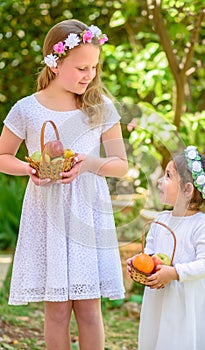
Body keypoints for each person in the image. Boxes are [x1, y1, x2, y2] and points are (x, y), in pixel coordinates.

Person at [0, 19, 128, 350]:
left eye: (94, 67)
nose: (89, 75)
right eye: (81, 67)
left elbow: (121, 166)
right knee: (56, 310)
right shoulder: (26, 109)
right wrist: (30, 169)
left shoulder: (100, 108)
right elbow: (3, 156)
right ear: (54, 63)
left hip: (88, 214)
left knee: (89, 306)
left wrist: (90, 163)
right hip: (47, 216)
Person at [127, 145, 205, 350]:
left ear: (187, 189)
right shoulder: (160, 220)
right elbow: (149, 252)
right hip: (162, 296)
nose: (160, 181)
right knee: (163, 338)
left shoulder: (202, 225)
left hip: (191, 300)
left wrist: (176, 272)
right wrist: (141, 263)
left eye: (168, 176)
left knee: (186, 339)